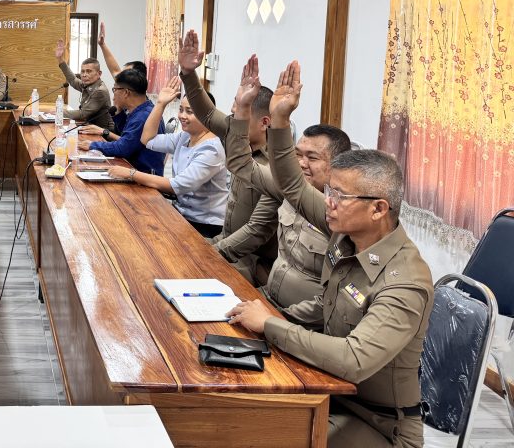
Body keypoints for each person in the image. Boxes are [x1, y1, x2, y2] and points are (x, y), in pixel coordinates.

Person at [227, 61, 433, 448]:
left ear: (379, 209)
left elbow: (353, 360)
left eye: (340, 195)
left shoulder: (405, 281)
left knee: (267, 435)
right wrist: (281, 120)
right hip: (329, 389)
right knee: (238, 412)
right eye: (330, 192)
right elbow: (292, 185)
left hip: (378, 424)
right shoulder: (348, 233)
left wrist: (271, 326)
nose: (329, 202)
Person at [218, 55, 351, 312]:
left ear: (337, 165)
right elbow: (241, 164)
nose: (301, 163)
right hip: (265, 299)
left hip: (292, 320)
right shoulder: (285, 189)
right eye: (297, 155)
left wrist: (271, 320)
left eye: (312, 158)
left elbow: (329, 306)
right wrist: (243, 108)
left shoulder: (342, 214)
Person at [178, 30, 276, 269]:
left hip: (250, 261)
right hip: (223, 241)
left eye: (242, 114)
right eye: (234, 112)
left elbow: (255, 231)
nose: (234, 119)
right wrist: (189, 74)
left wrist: (209, 255)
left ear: (264, 122)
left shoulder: (277, 166)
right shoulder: (237, 132)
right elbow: (208, 114)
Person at [109, 75, 228, 236]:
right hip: (181, 213)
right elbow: (147, 140)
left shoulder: (212, 149)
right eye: (181, 109)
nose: (182, 116)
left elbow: (177, 185)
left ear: (207, 115)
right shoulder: (185, 137)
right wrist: (160, 104)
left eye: (190, 112)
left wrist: (131, 174)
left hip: (204, 224)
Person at [80, 68, 164, 174]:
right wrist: (118, 112)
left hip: (142, 175)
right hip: (132, 168)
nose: (113, 95)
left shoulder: (142, 116)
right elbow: (126, 138)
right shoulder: (142, 110)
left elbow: (123, 148)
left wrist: (93, 145)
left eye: (114, 90)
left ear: (126, 93)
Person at [53, 38, 115, 131]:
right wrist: (60, 59)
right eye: (82, 71)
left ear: (99, 74)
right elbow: (73, 79)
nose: (84, 75)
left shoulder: (100, 91)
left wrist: (59, 112)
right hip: (89, 126)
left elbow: (83, 114)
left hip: (103, 132)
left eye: (89, 71)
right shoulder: (87, 84)